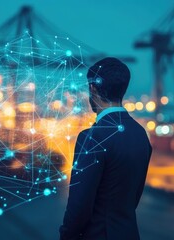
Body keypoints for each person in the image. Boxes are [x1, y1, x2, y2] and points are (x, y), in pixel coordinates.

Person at [59, 57, 152, 240]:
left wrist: (66, 236)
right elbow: (133, 199)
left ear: (93, 88)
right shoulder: (141, 135)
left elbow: (79, 206)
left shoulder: (92, 137)